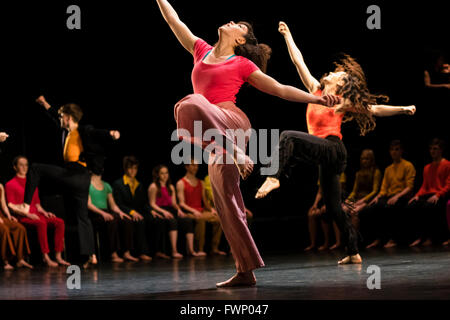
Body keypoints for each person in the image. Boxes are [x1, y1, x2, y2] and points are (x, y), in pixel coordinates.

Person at [157, 0, 341, 288]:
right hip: (217, 138)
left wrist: (316, 98)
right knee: (226, 204)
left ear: (241, 39)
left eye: (238, 25)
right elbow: (172, 19)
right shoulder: (201, 50)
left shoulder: (242, 63)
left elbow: (279, 89)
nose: (231, 22)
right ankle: (246, 270)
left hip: (232, 124)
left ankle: (238, 154)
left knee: (190, 103)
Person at [255, 22, 416, 265]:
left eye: (337, 73)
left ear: (340, 85)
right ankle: (353, 252)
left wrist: (403, 109)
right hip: (323, 153)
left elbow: (375, 109)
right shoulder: (315, 90)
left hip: (333, 149)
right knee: (333, 208)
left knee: (288, 137)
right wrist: (288, 35)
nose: (331, 72)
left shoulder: (340, 100)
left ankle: (274, 176)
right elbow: (298, 61)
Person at [16, 95, 120, 268]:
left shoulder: (82, 130)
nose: (60, 118)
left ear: (69, 118)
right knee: (82, 217)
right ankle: (91, 255)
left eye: (62, 115)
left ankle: (26, 205)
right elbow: (54, 115)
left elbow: (96, 133)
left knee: (35, 168)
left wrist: (111, 134)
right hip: (81, 180)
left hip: (74, 174)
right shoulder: (66, 130)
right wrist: (44, 104)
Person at [6, 156, 69, 267]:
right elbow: (11, 206)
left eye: (26, 165)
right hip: (24, 216)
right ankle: (46, 257)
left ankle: (58, 256)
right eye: (21, 165)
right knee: (41, 223)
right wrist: (27, 214)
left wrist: (45, 212)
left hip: (37, 214)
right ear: (15, 167)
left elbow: (37, 204)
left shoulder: (32, 182)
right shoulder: (10, 184)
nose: (24, 167)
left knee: (59, 222)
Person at [362, 140, 416, 248]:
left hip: (403, 196)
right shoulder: (388, 169)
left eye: (397, 149)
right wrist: (376, 198)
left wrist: (397, 196)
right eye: (392, 150)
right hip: (390, 196)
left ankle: (393, 239)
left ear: (401, 151)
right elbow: (384, 189)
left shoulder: (408, 165)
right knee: (371, 208)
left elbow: (409, 187)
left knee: (391, 206)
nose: (394, 152)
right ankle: (378, 238)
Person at [149, 165, 201, 258]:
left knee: (187, 220)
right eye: (162, 173)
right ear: (157, 175)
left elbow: (174, 203)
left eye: (166, 173)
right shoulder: (154, 186)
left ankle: (191, 250)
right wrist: (163, 212)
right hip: (160, 210)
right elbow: (152, 204)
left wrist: (179, 210)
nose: (165, 175)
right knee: (172, 222)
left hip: (170, 210)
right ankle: (174, 250)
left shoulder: (171, 187)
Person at [88, 164, 138, 262]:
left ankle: (126, 253)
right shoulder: (87, 184)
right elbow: (89, 204)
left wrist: (120, 212)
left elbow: (113, 205)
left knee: (126, 220)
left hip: (106, 211)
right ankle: (113, 254)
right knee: (112, 221)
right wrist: (102, 213)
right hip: (94, 213)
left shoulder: (106, 185)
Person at [176, 159, 225, 256]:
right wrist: (194, 211)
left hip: (201, 211)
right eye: (193, 165)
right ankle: (199, 249)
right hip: (189, 212)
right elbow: (181, 203)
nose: (195, 167)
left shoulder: (201, 182)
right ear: (187, 166)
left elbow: (204, 200)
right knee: (200, 219)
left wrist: (211, 209)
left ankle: (214, 248)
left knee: (219, 218)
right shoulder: (181, 183)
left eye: (197, 166)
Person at [408, 138, 449, 247]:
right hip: (429, 194)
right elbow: (424, 186)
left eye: (435, 149)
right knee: (413, 205)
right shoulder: (427, 167)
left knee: (429, 206)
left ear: (441, 150)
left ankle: (432, 238)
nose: (432, 151)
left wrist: (438, 194)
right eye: (431, 149)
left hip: (442, 194)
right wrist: (417, 195)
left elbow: (448, 185)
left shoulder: (447, 164)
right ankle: (420, 237)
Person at [112, 156, 153, 261]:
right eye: (130, 168)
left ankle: (156, 251)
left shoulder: (139, 184)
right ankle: (134, 252)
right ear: (125, 169)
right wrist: (131, 212)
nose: (133, 171)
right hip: (124, 212)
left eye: (135, 168)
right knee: (138, 221)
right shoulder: (118, 184)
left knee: (153, 219)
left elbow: (144, 203)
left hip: (138, 212)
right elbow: (118, 204)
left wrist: (151, 211)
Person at [305, 173, 346, 251]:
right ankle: (315, 243)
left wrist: (329, 204)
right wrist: (315, 204)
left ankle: (338, 242)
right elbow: (320, 192)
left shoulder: (339, 172)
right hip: (326, 202)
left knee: (334, 212)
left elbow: (340, 192)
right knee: (311, 214)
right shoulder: (322, 174)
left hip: (339, 201)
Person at [344, 149, 382, 230]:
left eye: (367, 159)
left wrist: (364, 200)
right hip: (357, 199)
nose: (364, 161)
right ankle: (345, 237)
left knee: (354, 211)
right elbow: (354, 191)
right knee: (343, 209)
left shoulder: (376, 172)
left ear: (371, 160)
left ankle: (355, 238)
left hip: (368, 200)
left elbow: (375, 190)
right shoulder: (359, 173)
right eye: (362, 159)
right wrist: (349, 199)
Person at [0, 183, 33, 270]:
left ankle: (20, 259)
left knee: (19, 228)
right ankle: (5, 261)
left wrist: (9, 216)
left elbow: (3, 205)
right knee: (4, 229)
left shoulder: (0, 186)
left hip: (1, 216)